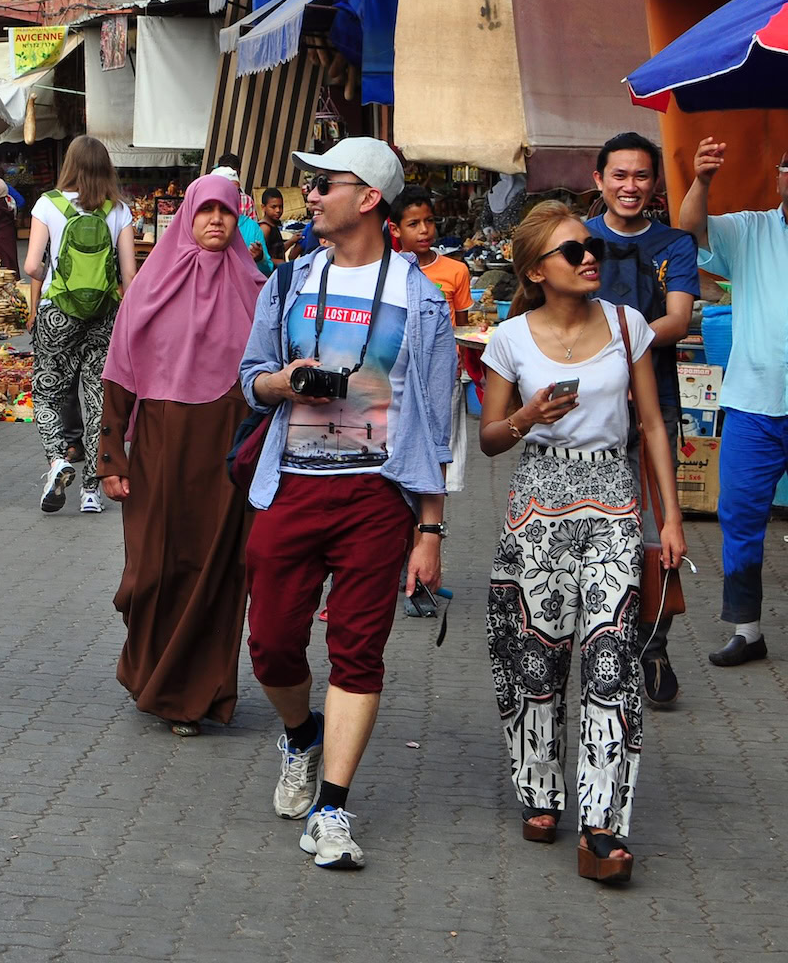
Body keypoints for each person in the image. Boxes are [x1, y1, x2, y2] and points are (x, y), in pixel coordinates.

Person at [239, 137, 455, 871]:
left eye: (324, 182)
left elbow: (435, 423)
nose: (309, 193)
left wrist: (431, 528)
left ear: (369, 197)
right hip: (294, 481)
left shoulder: (422, 298)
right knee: (269, 643)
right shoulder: (292, 279)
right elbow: (251, 376)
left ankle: (332, 807)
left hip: (377, 493)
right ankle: (301, 736)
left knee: (357, 650)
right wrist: (286, 381)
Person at [478, 201, 682, 884]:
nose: (590, 256)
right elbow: (489, 438)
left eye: (591, 245)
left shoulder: (628, 327)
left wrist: (671, 519)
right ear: (538, 270)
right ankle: (539, 790)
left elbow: (652, 426)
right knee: (534, 659)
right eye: (573, 251)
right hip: (536, 505)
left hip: (615, 507)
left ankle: (602, 823)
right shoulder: (509, 338)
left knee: (610, 661)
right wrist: (528, 416)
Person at [99, 174, 263, 732]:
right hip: (160, 446)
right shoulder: (151, 285)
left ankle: (197, 694)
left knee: (215, 568)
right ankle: (151, 672)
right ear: (188, 217)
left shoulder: (256, 288)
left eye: (226, 212)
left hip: (226, 450)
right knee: (152, 569)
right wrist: (111, 455)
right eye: (206, 211)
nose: (216, 220)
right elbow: (120, 370)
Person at [584, 130, 698, 705]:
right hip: (584, 409)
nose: (631, 186)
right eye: (619, 176)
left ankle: (654, 643)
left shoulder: (675, 244)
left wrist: (615, 352)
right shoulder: (577, 239)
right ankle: (604, 639)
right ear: (599, 180)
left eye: (642, 176)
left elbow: (677, 318)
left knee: (657, 531)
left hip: (657, 403)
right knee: (599, 525)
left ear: (655, 184)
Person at [679, 136, 788, 668]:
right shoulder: (752, 229)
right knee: (740, 513)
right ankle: (747, 630)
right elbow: (692, 227)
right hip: (753, 405)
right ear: (780, 177)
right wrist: (702, 179)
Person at [25, 135, 137, 515]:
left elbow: (30, 267)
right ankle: (92, 490)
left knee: (47, 393)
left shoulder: (48, 204)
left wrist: (51, 273)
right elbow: (129, 276)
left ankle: (58, 458)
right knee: (97, 400)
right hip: (105, 313)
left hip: (58, 311)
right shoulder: (119, 210)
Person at [393, 186, 473, 498]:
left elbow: (462, 327)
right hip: (403, 370)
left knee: (444, 436)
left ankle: (439, 498)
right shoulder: (392, 270)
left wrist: (462, 366)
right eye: (414, 224)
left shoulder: (456, 270)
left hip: (444, 371)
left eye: (429, 221)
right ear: (396, 229)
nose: (424, 230)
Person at [259, 188, 288, 264]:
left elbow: (278, 250)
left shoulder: (274, 225)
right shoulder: (265, 228)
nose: (278, 210)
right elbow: (259, 256)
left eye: (280, 206)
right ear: (263, 207)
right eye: (273, 207)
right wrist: (279, 262)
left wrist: (292, 241)